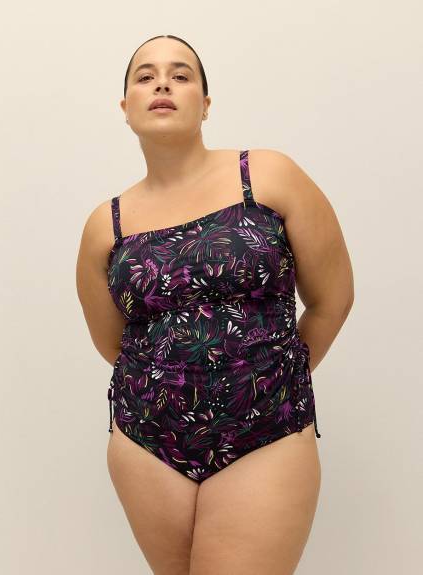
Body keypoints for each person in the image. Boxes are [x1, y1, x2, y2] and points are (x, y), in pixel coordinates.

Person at [76, 34, 354, 575]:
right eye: (145, 76)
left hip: (266, 430)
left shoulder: (269, 175)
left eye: (181, 75)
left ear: (205, 104)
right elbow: (112, 343)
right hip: (146, 441)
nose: (162, 84)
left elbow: (332, 299)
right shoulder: (104, 226)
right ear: (126, 107)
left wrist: (269, 380)